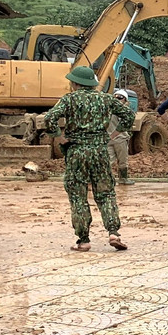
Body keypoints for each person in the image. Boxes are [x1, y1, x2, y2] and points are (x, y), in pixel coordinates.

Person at [45, 66, 135, 252]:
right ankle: (113, 232)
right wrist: (115, 133)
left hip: (77, 152)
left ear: (75, 83)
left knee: (78, 196)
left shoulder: (68, 100)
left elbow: (50, 118)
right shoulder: (106, 99)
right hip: (100, 151)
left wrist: (59, 137)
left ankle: (83, 240)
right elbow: (128, 114)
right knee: (106, 193)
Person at [108, 88, 134, 186]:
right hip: (120, 138)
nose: (118, 99)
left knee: (109, 160)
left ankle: (110, 179)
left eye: (120, 98)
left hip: (110, 138)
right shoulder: (125, 111)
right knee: (122, 160)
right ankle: (123, 179)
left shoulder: (108, 110)